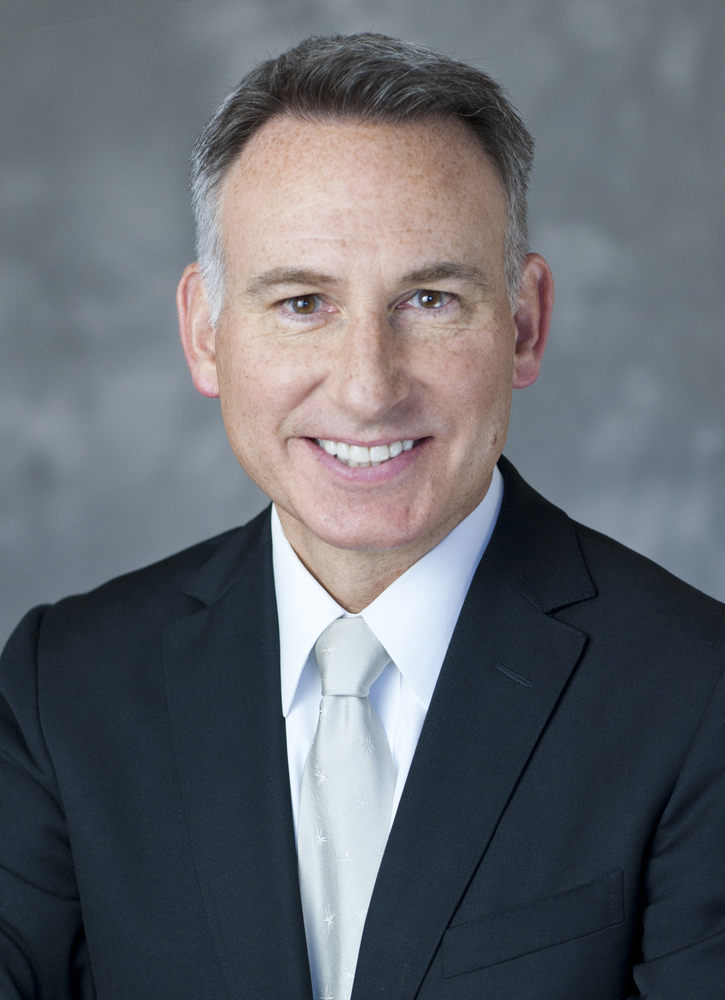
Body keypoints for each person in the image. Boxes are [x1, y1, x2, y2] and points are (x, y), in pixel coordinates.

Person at [1, 32, 723, 1000]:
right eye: (302, 302)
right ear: (204, 332)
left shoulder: (694, 696)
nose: (367, 388)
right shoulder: (65, 686)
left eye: (427, 299)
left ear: (522, 323)